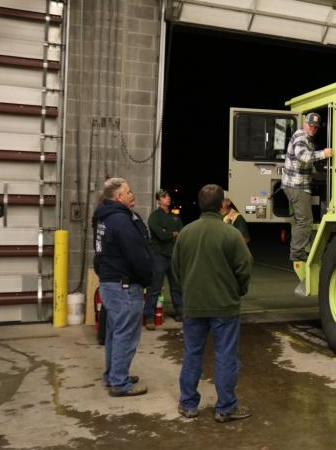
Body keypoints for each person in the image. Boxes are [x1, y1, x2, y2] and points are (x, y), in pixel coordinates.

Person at [172, 184, 253, 422]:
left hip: (193, 305)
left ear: (199, 204)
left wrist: (188, 290)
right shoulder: (231, 234)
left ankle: (188, 404)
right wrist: (238, 291)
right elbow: (245, 268)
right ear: (222, 206)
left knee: (192, 354)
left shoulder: (186, 233)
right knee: (226, 355)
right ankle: (226, 407)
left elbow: (176, 269)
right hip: (224, 307)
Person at [93, 177, 153, 397]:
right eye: (128, 191)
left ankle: (113, 375)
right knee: (126, 334)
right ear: (118, 197)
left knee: (115, 333)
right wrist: (148, 277)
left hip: (110, 283)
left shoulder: (102, 218)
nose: (132, 194)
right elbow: (137, 255)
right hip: (124, 286)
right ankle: (119, 382)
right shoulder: (121, 220)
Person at [281, 112, 333, 261]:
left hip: (299, 185)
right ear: (305, 124)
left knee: (302, 219)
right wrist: (324, 153)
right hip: (296, 186)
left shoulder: (308, 139)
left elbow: (308, 164)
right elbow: (303, 157)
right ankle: (297, 253)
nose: (313, 129)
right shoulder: (300, 137)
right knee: (305, 220)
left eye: (316, 127)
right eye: (311, 126)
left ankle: (300, 250)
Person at [145, 189, 183, 328]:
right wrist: (172, 234)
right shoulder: (154, 217)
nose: (167, 198)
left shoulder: (175, 217)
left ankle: (180, 312)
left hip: (173, 256)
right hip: (159, 256)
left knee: (176, 286)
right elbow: (160, 236)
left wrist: (168, 233)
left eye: (168, 196)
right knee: (155, 287)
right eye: (164, 197)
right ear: (158, 201)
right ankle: (149, 316)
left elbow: (182, 233)